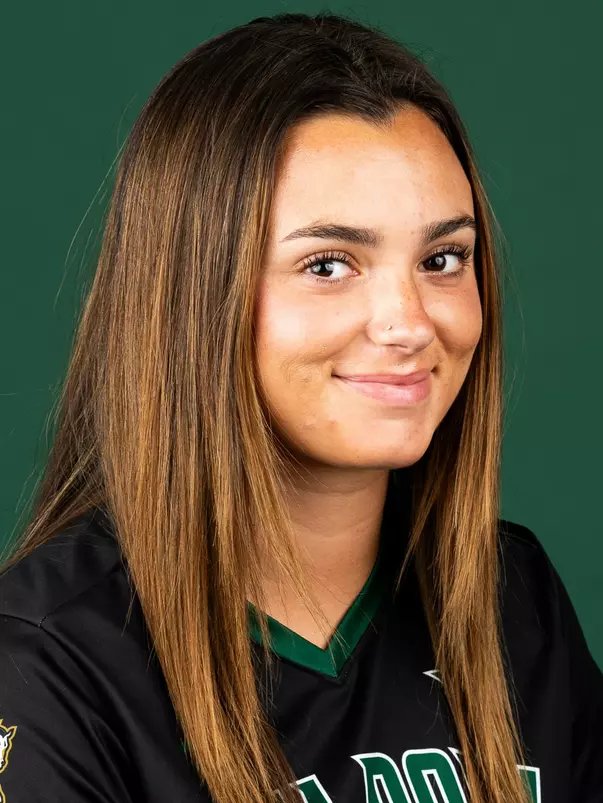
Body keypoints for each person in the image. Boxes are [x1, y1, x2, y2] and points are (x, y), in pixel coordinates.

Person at [0, 11, 601, 803]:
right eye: (327, 264)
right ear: (191, 296)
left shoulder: (510, 596)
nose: (409, 321)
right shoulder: (47, 661)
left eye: (442, 257)